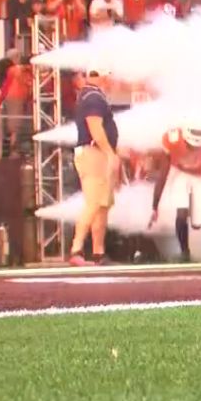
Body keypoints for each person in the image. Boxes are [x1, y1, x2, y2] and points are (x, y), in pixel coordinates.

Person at [147, 118, 201, 263]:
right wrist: (155, 206)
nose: (194, 151)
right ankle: (185, 252)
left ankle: (195, 237)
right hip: (180, 173)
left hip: (199, 175)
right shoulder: (173, 140)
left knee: (197, 223)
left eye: (198, 148)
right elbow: (163, 175)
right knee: (182, 211)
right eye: (191, 147)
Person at [70, 65, 119, 266]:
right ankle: (77, 250)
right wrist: (109, 152)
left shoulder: (91, 96)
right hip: (94, 154)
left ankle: (98, 252)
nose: (111, 80)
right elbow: (95, 127)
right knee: (93, 202)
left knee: (102, 205)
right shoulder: (93, 98)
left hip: (97, 153)